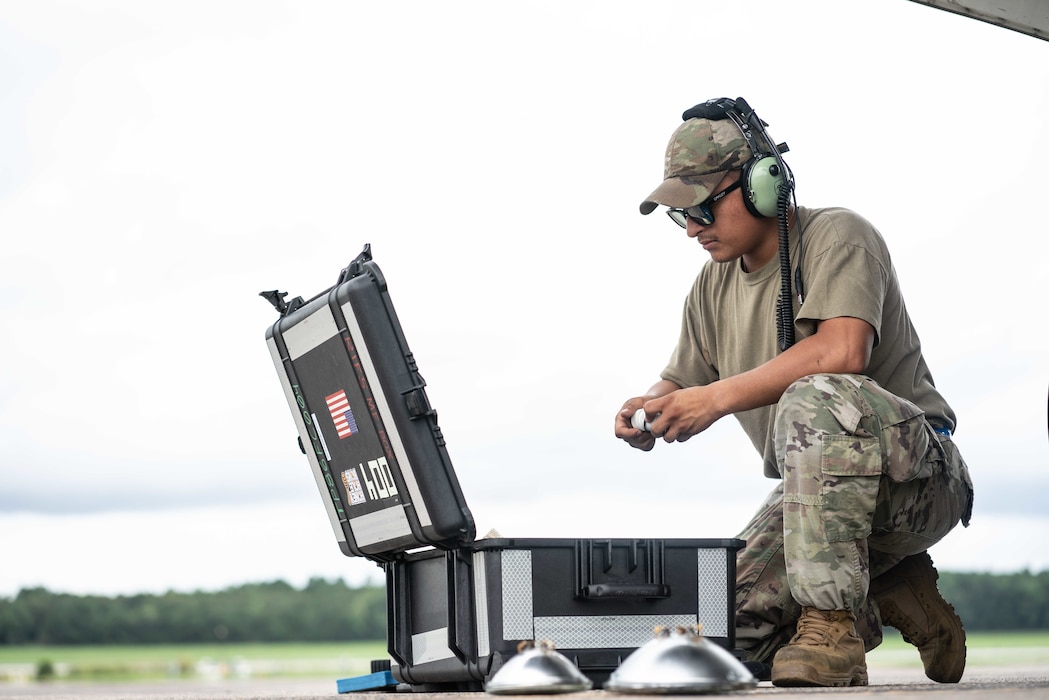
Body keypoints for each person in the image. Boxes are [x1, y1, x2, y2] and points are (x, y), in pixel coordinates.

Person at [614, 97, 974, 687]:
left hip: (920, 479)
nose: (694, 228)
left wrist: (714, 400)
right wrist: (652, 404)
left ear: (764, 183)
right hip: (818, 507)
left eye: (703, 207)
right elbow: (684, 378)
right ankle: (891, 585)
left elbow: (841, 351)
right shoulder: (711, 285)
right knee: (723, 631)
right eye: (682, 217)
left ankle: (834, 628)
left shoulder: (839, 235)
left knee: (818, 393)